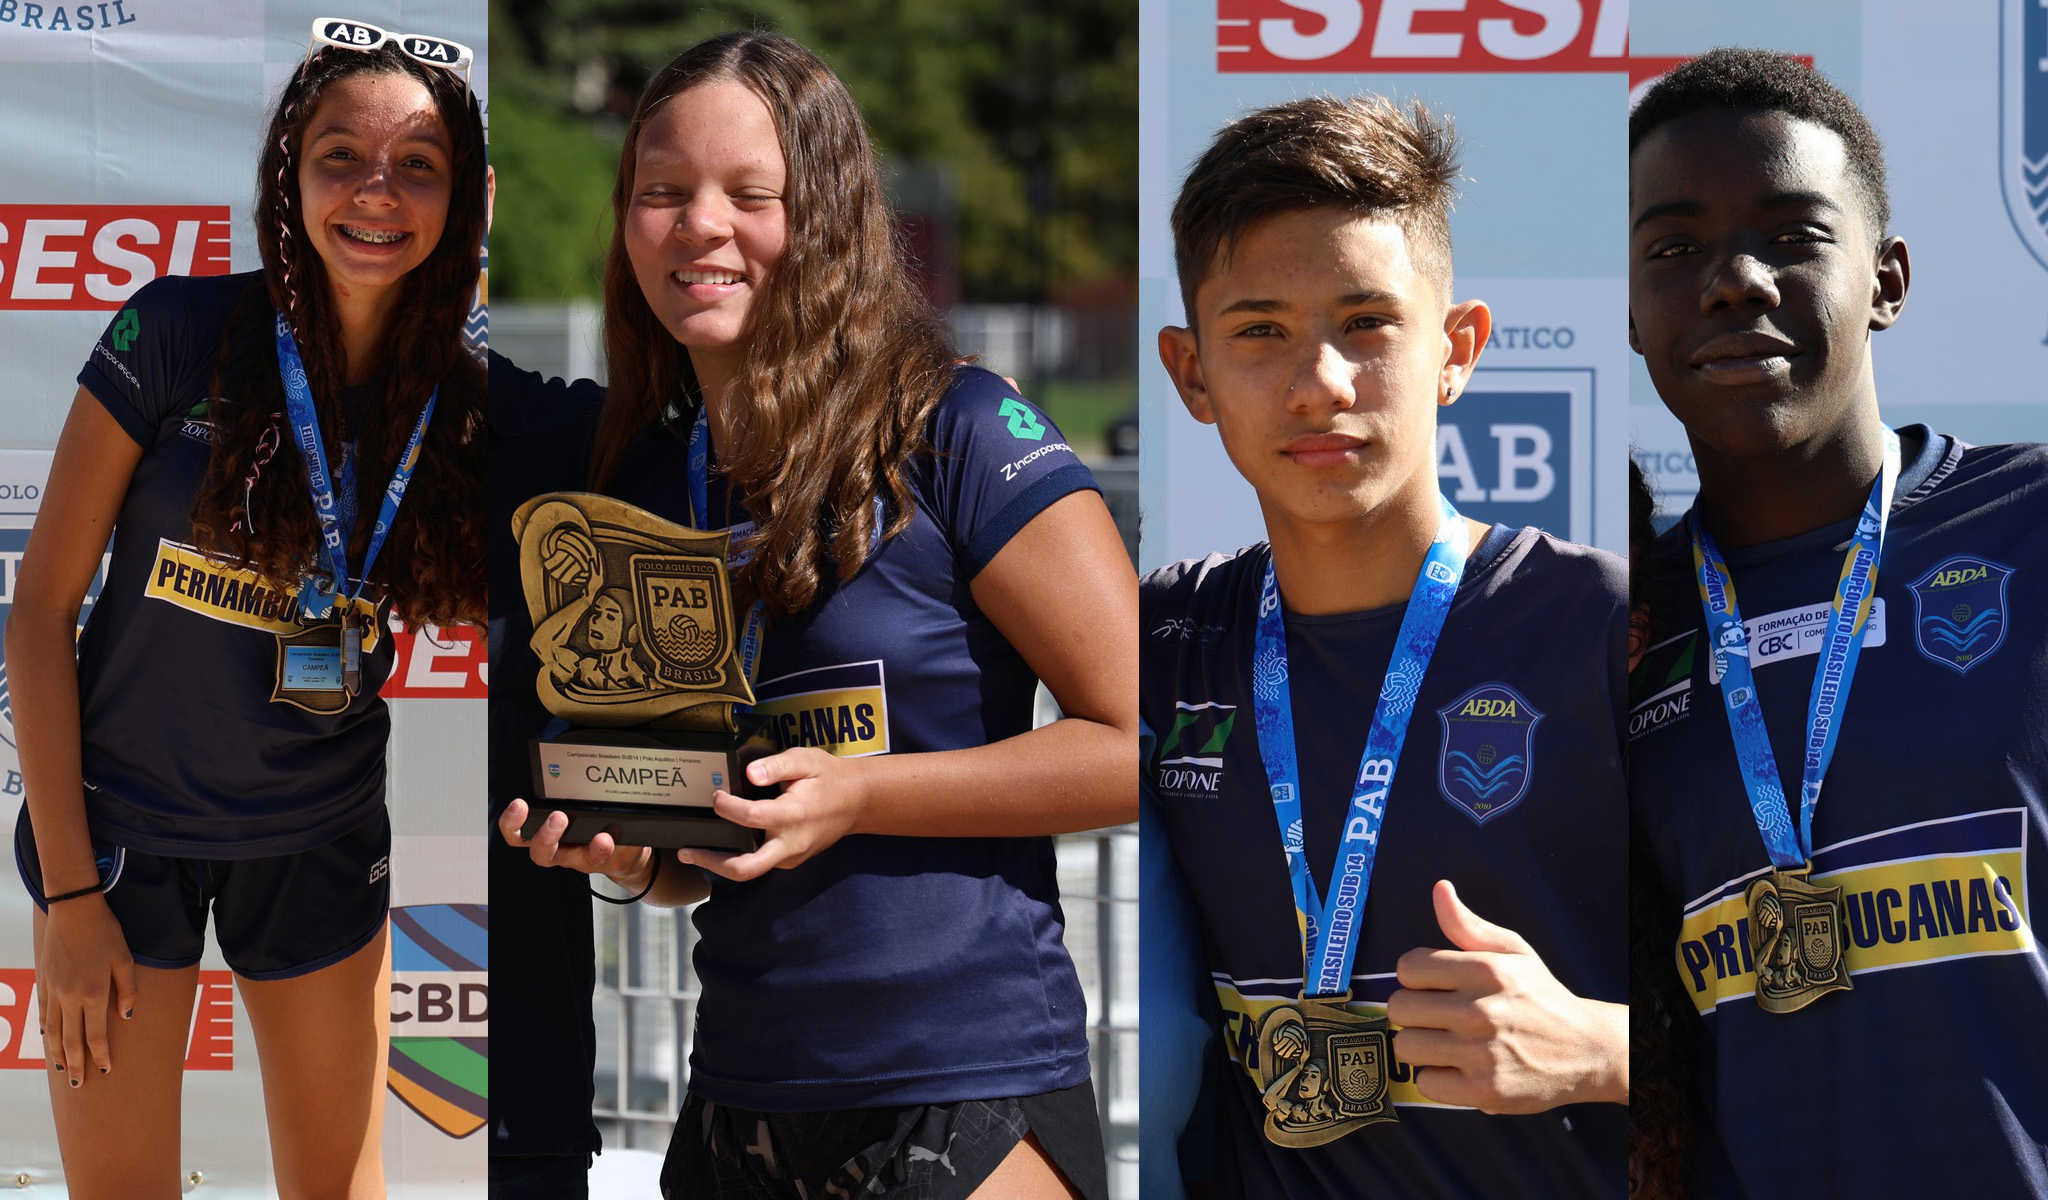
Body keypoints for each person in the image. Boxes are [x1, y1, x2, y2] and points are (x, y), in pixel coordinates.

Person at [493, 31, 1136, 1200]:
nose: (699, 226)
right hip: (742, 1099)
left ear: (829, 213)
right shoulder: (642, 481)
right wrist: (635, 858)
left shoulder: (960, 429)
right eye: (660, 192)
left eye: (750, 195)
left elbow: (1146, 746)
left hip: (964, 1084)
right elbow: (727, 842)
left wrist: (863, 794)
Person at [7, 20, 486, 1197]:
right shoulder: (173, 329)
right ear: (289, 172)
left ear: (461, 197)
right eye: (341, 158)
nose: (376, 194)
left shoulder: (467, 407)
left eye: (417, 164)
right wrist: (69, 899)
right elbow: (37, 616)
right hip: (122, 844)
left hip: (317, 837)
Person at [1141, 96, 1628, 1198]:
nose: (1320, 382)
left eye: (1366, 322)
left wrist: (1606, 1051)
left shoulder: (1608, 625)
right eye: (1259, 331)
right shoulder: (1163, 642)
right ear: (1191, 374)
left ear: (1455, 350)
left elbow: (1821, 1013)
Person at [1627, 48, 2048, 1196]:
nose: (1732, 280)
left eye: (1791, 235)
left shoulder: (2032, 524)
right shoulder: (1616, 626)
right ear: (1629, 309)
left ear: (1886, 279)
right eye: (1673, 250)